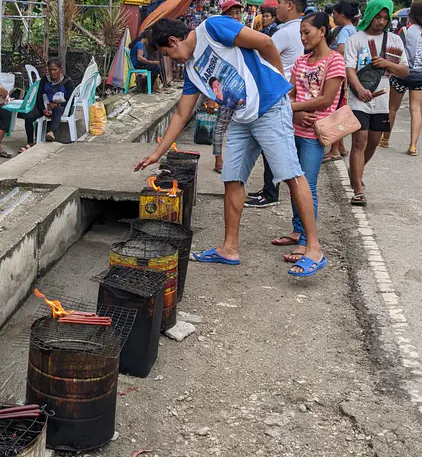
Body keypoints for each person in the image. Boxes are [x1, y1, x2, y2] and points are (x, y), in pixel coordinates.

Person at [134, 16, 327, 278]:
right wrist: (157, 154)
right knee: (232, 178)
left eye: (169, 53)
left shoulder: (212, 28)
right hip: (241, 117)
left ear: (173, 40)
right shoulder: (192, 70)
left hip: (269, 107)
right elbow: (181, 114)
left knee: (291, 175)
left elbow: (265, 42)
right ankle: (229, 248)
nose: (173, 60)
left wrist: (279, 80)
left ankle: (314, 249)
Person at [271, 12, 345, 262]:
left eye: (307, 32)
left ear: (322, 31)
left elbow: (326, 98)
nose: (303, 37)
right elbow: (290, 94)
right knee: (294, 183)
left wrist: (292, 110)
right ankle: (296, 230)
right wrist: (295, 115)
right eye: (301, 33)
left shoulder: (335, 61)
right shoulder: (301, 61)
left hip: (316, 132)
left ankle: (305, 241)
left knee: (307, 185)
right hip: (295, 129)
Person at [245, 0, 307, 209]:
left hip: (280, 93)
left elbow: (262, 52)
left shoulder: (286, 32)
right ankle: (269, 189)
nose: (276, 7)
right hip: (293, 92)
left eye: (279, 3)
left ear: (290, 5)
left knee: (273, 143)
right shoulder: (302, 28)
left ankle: (271, 193)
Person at [344, 0, 408, 205]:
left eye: (385, 17)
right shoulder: (356, 39)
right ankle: (358, 189)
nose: (381, 21)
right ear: (370, 14)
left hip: (381, 99)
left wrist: (387, 64)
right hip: (358, 98)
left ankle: (356, 170)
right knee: (359, 140)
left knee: (372, 142)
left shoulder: (395, 41)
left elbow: (404, 70)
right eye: (377, 16)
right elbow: (349, 69)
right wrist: (359, 89)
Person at [385, 0, 422, 156]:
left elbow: (396, 53)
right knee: (416, 110)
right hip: (421, 76)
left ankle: (385, 139)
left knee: (392, 108)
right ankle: (413, 146)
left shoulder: (405, 31)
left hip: (402, 74)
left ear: (411, 14)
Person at [20, 57, 76, 151]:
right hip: (45, 107)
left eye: (55, 70)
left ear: (60, 69)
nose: (52, 72)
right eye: (50, 70)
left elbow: (70, 100)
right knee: (28, 117)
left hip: (60, 107)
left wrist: (57, 105)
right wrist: (43, 109)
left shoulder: (67, 82)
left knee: (57, 111)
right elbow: (39, 97)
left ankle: (52, 132)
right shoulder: (44, 80)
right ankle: (30, 142)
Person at [325, 0, 358, 159]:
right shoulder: (354, 29)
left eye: (335, 14)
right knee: (341, 109)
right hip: (349, 75)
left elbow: (341, 50)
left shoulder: (345, 31)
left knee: (336, 111)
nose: (333, 17)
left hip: (341, 75)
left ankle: (335, 150)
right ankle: (341, 147)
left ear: (342, 14)